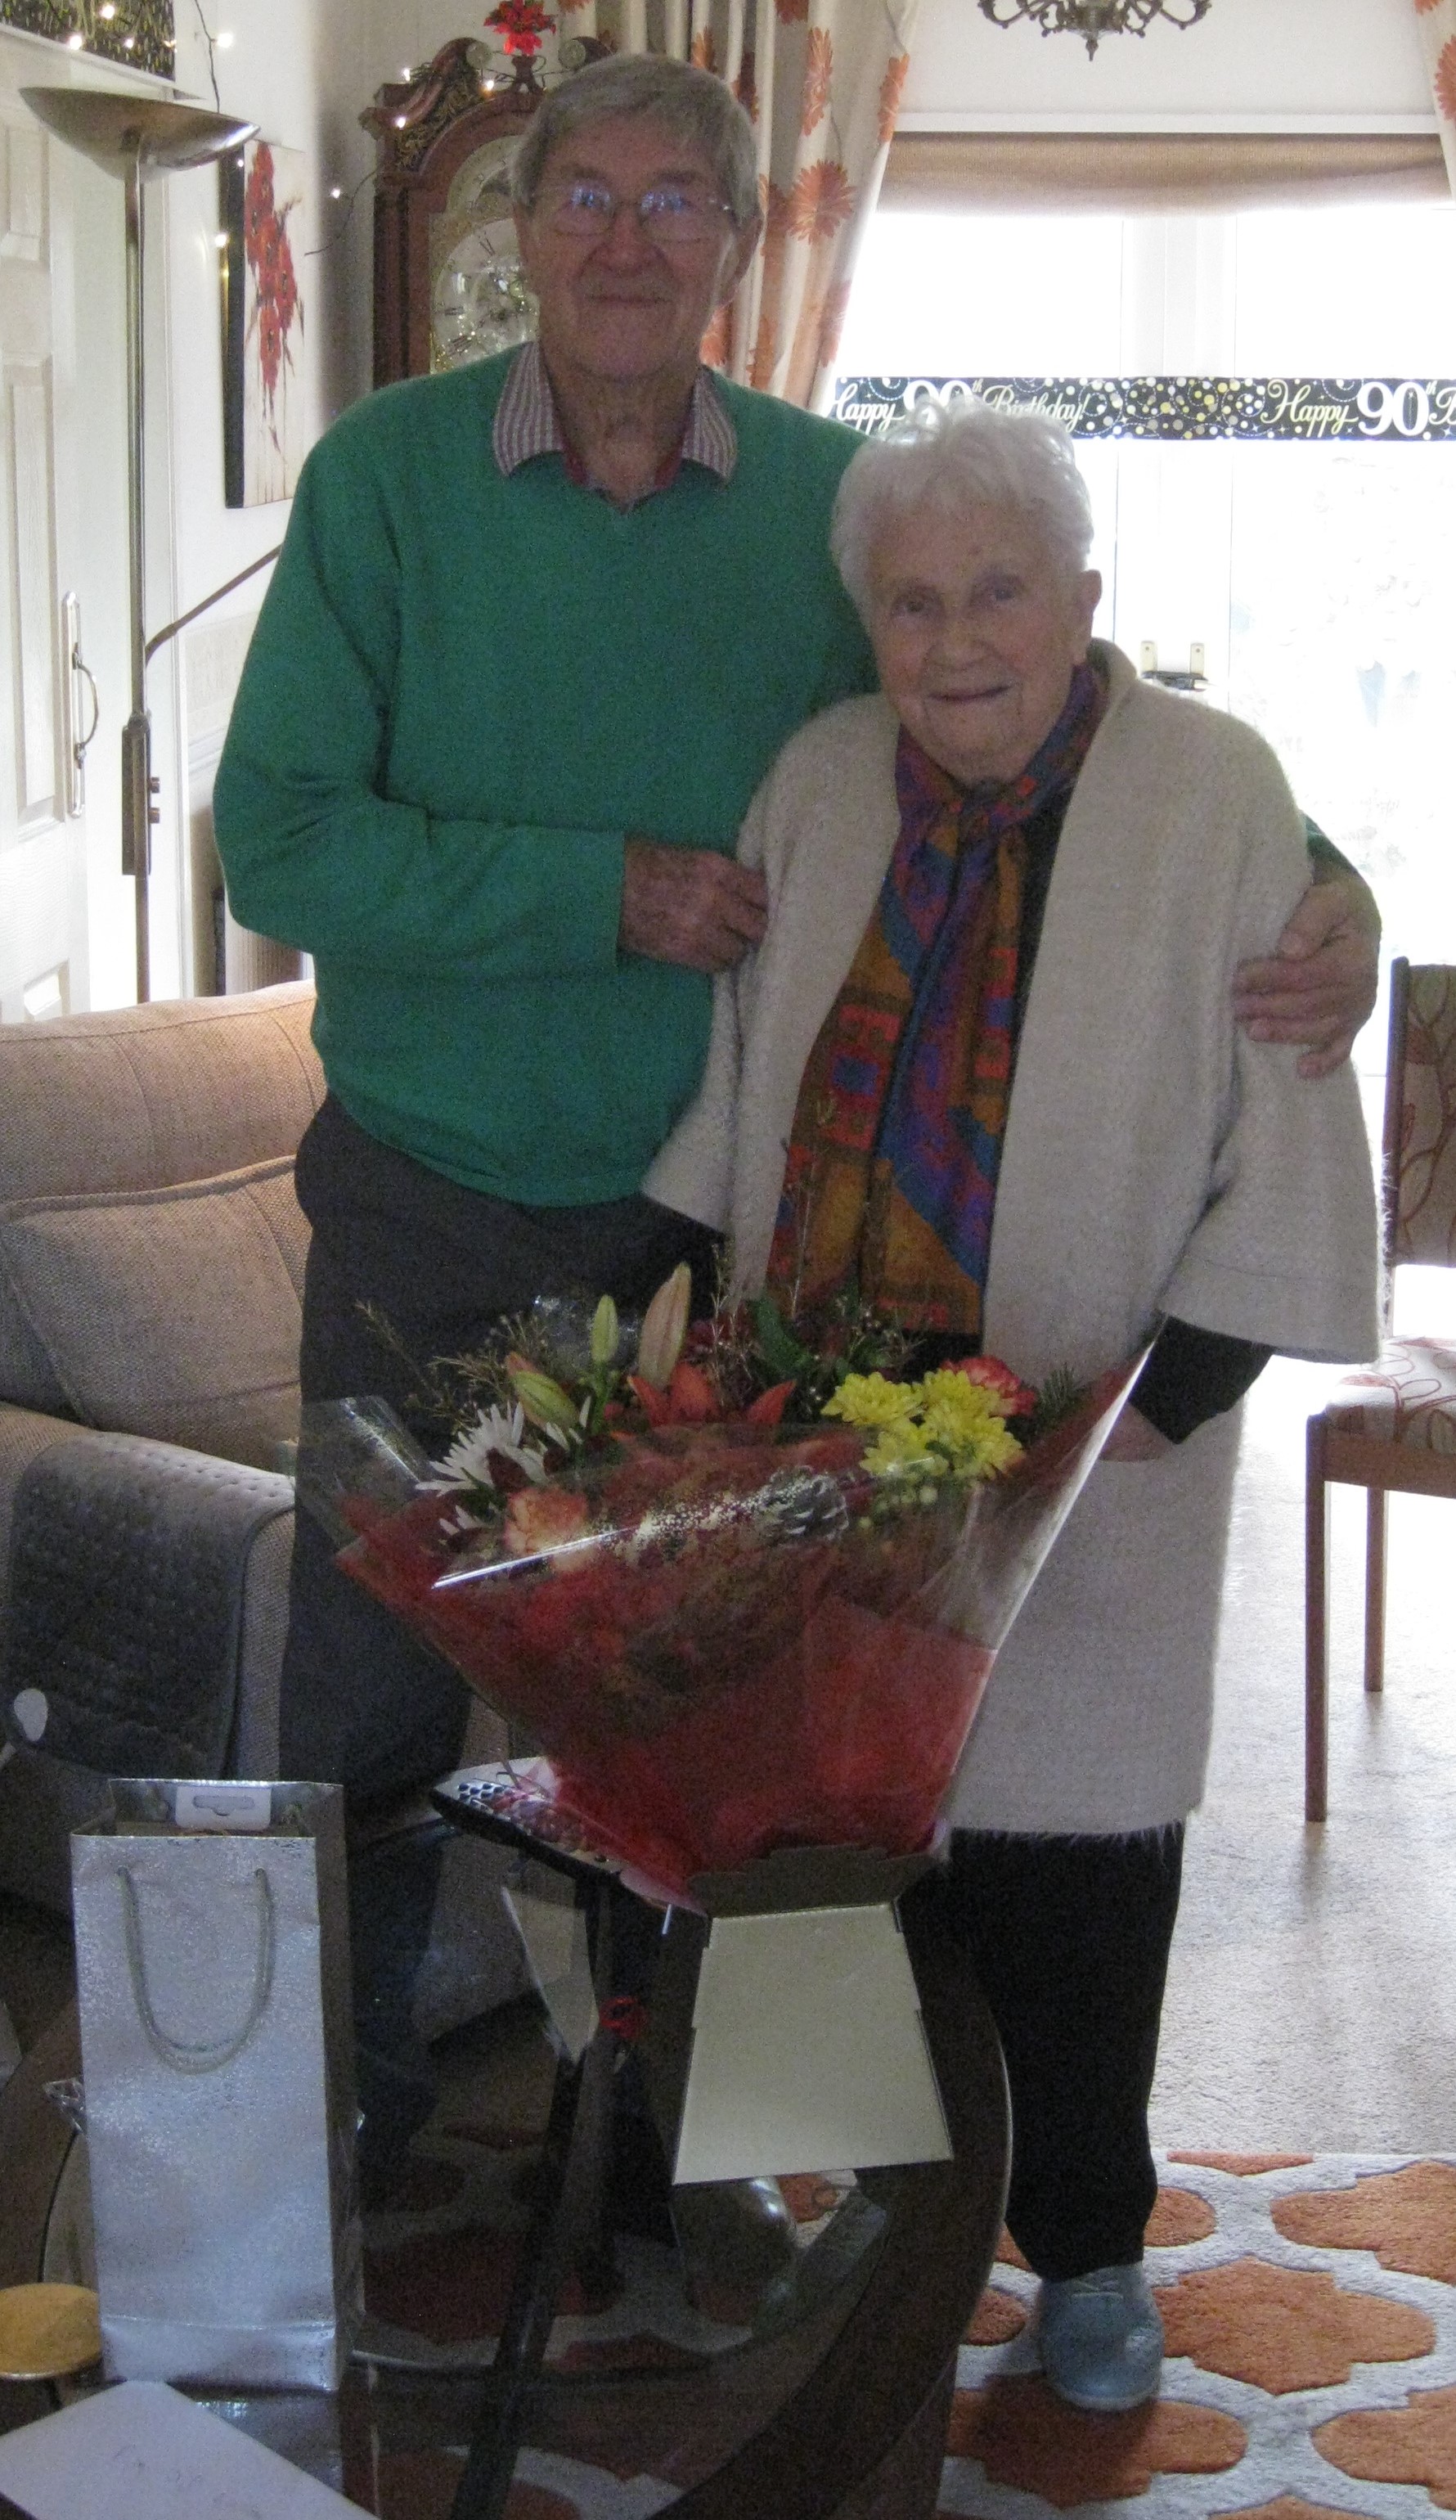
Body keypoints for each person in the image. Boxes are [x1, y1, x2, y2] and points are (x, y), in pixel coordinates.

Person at [213, 56, 1376, 2189]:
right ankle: (338, 2149)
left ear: (745, 244)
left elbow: (1078, 723)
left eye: (678, 200)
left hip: (719, 1266)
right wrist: (601, 895)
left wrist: (1338, 896)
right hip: (435, 1214)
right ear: (522, 228)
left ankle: (685, 2164)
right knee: (367, 1700)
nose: (625, 239)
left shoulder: (837, 499)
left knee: (718, 1736)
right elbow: (274, 842)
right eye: (584, 195)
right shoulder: (383, 481)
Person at [644, 395, 1379, 2409]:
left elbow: (1282, 1107)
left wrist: (1173, 1394)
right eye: (910, 603)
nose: (954, 638)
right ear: (866, 626)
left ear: (1080, 596)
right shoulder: (817, 780)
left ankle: (1083, 2248)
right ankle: (855, 2219)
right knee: (830, 1843)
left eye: (997, 591)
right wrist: (689, 1323)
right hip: (821, 1425)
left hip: (1090, 1426)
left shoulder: (1213, 789)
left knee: (1071, 1865)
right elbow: (740, 1061)